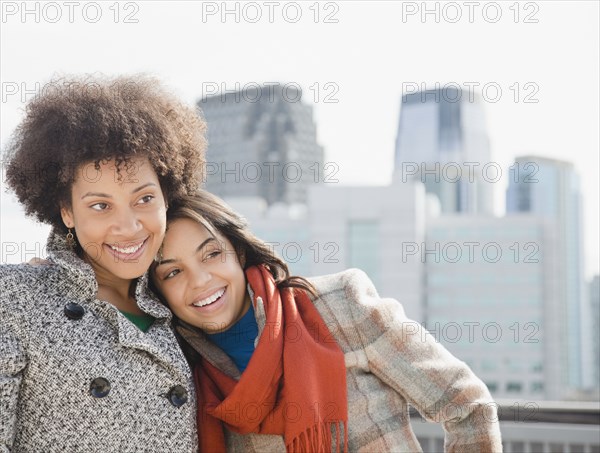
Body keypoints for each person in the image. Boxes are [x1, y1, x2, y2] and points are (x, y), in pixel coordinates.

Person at [150, 191, 503, 453]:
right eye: (173, 272)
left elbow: (467, 404)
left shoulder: (340, 305)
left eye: (212, 254)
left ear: (238, 251)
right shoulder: (183, 374)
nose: (199, 281)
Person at [0, 75, 206, 452]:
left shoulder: (179, 302)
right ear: (67, 212)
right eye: (100, 205)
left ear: (166, 197)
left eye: (144, 199)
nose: (128, 227)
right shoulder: (13, 298)